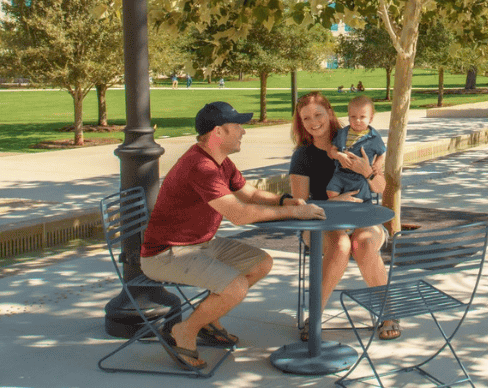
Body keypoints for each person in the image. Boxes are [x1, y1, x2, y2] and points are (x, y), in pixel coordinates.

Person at [140, 101, 324, 372]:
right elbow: (240, 214)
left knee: (261, 262)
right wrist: (297, 214)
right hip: (167, 253)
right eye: (237, 126)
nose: (243, 131)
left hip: (200, 244)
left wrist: (285, 201)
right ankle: (185, 331)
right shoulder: (200, 166)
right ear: (218, 132)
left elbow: (248, 194)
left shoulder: (220, 162)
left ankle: (209, 321)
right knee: (235, 286)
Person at [288, 91, 400, 341]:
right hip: (319, 222)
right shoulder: (303, 155)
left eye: (318, 114)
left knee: (363, 243)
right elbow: (299, 204)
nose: (314, 122)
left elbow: (381, 189)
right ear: (301, 123)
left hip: (363, 219)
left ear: (329, 113)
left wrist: (368, 172)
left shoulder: (361, 141)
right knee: (340, 245)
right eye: (306, 118)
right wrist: (334, 202)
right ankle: (315, 316)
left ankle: (388, 312)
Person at [327, 95, 385, 202]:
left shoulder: (374, 137)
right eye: (353, 117)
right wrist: (339, 155)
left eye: (362, 117)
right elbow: (332, 150)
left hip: (360, 176)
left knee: (359, 198)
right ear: (348, 117)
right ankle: (337, 205)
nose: (357, 120)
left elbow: (381, 153)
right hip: (341, 173)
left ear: (371, 118)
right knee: (331, 192)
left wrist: (377, 164)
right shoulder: (342, 133)